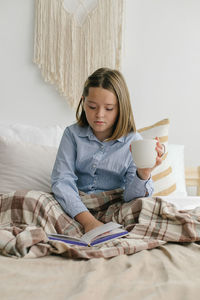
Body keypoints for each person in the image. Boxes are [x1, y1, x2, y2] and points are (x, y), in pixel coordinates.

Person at [51, 67, 164, 233]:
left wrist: (143, 173)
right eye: (92, 107)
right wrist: (88, 221)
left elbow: (131, 199)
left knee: (151, 207)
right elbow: (62, 181)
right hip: (74, 208)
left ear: (120, 108)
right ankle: (85, 227)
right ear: (83, 102)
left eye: (109, 108)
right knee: (31, 199)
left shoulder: (133, 141)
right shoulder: (72, 134)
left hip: (115, 208)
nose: (99, 115)